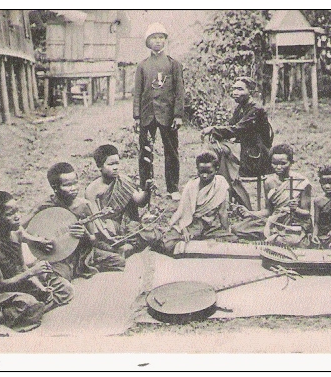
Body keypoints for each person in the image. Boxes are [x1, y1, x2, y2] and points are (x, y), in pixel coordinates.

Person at [0, 191, 74, 336]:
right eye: (10, 214)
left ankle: (27, 309)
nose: (17, 217)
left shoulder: (16, 232)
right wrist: (32, 272)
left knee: (65, 288)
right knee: (29, 303)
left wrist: (41, 287)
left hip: (16, 277)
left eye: (17, 211)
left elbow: (21, 266)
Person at [23, 163, 125, 282]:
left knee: (119, 262)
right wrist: (35, 241)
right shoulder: (45, 206)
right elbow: (16, 230)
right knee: (57, 279)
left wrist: (85, 235)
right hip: (60, 258)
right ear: (54, 187)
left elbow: (93, 240)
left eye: (75, 183)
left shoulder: (83, 206)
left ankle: (83, 269)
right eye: (67, 185)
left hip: (84, 254)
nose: (74, 188)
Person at [201, 76, 274, 210]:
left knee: (219, 155)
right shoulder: (241, 108)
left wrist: (214, 129)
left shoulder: (256, 110)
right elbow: (231, 128)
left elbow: (237, 129)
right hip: (244, 151)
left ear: (250, 92)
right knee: (217, 150)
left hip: (256, 158)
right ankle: (228, 195)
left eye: (240, 89)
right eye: (234, 88)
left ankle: (228, 193)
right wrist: (216, 136)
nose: (235, 92)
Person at [133, 22, 185, 201]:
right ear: (148, 41)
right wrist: (137, 116)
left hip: (168, 115)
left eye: (161, 37)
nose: (158, 41)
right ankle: (145, 187)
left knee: (171, 151)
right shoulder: (142, 66)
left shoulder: (173, 64)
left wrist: (178, 115)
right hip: (147, 114)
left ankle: (172, 188)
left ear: (165, 41)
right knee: (145, 151)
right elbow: (137, 93)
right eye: (154, 38)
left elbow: (179, 91)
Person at [231, 144, 312, 248]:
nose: (278, 167)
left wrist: (296, 209)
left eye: (283, 163)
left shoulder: (301, 182)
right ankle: (274, 236)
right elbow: (269, 211)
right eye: (275, 163)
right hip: (274, 220)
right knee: (236, 229)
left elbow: (307, 213)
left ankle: (275, 237)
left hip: (293, 222)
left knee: (290, 238)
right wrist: (250, 213)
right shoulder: (269, 182)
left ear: (291, 163)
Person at [85, 144, 160, 256]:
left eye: (117, 163)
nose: (115, 167)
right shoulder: (92, 189)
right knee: (104, 242)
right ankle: (125, 247)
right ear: (100, 166)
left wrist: (147, 190)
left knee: (151, 233)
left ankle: (128, 245)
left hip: (127, 225)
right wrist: (108, 236)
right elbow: (95, 218)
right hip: (107, 229)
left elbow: (140, 202)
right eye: (111, 164)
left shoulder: (124, 180)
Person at [159, 151, 238, 255]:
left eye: (209, 172)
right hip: (193, 224)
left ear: (216, 169)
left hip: (210, 227)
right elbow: (184, 212)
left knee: (232, 239)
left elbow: (223, 212)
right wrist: (185, 230)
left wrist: (226, 231)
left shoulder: (220, 184)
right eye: (201, 172)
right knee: (167, 244)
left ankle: (201, 241)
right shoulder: (191, 187)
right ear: (197, 170)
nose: (204, 176)